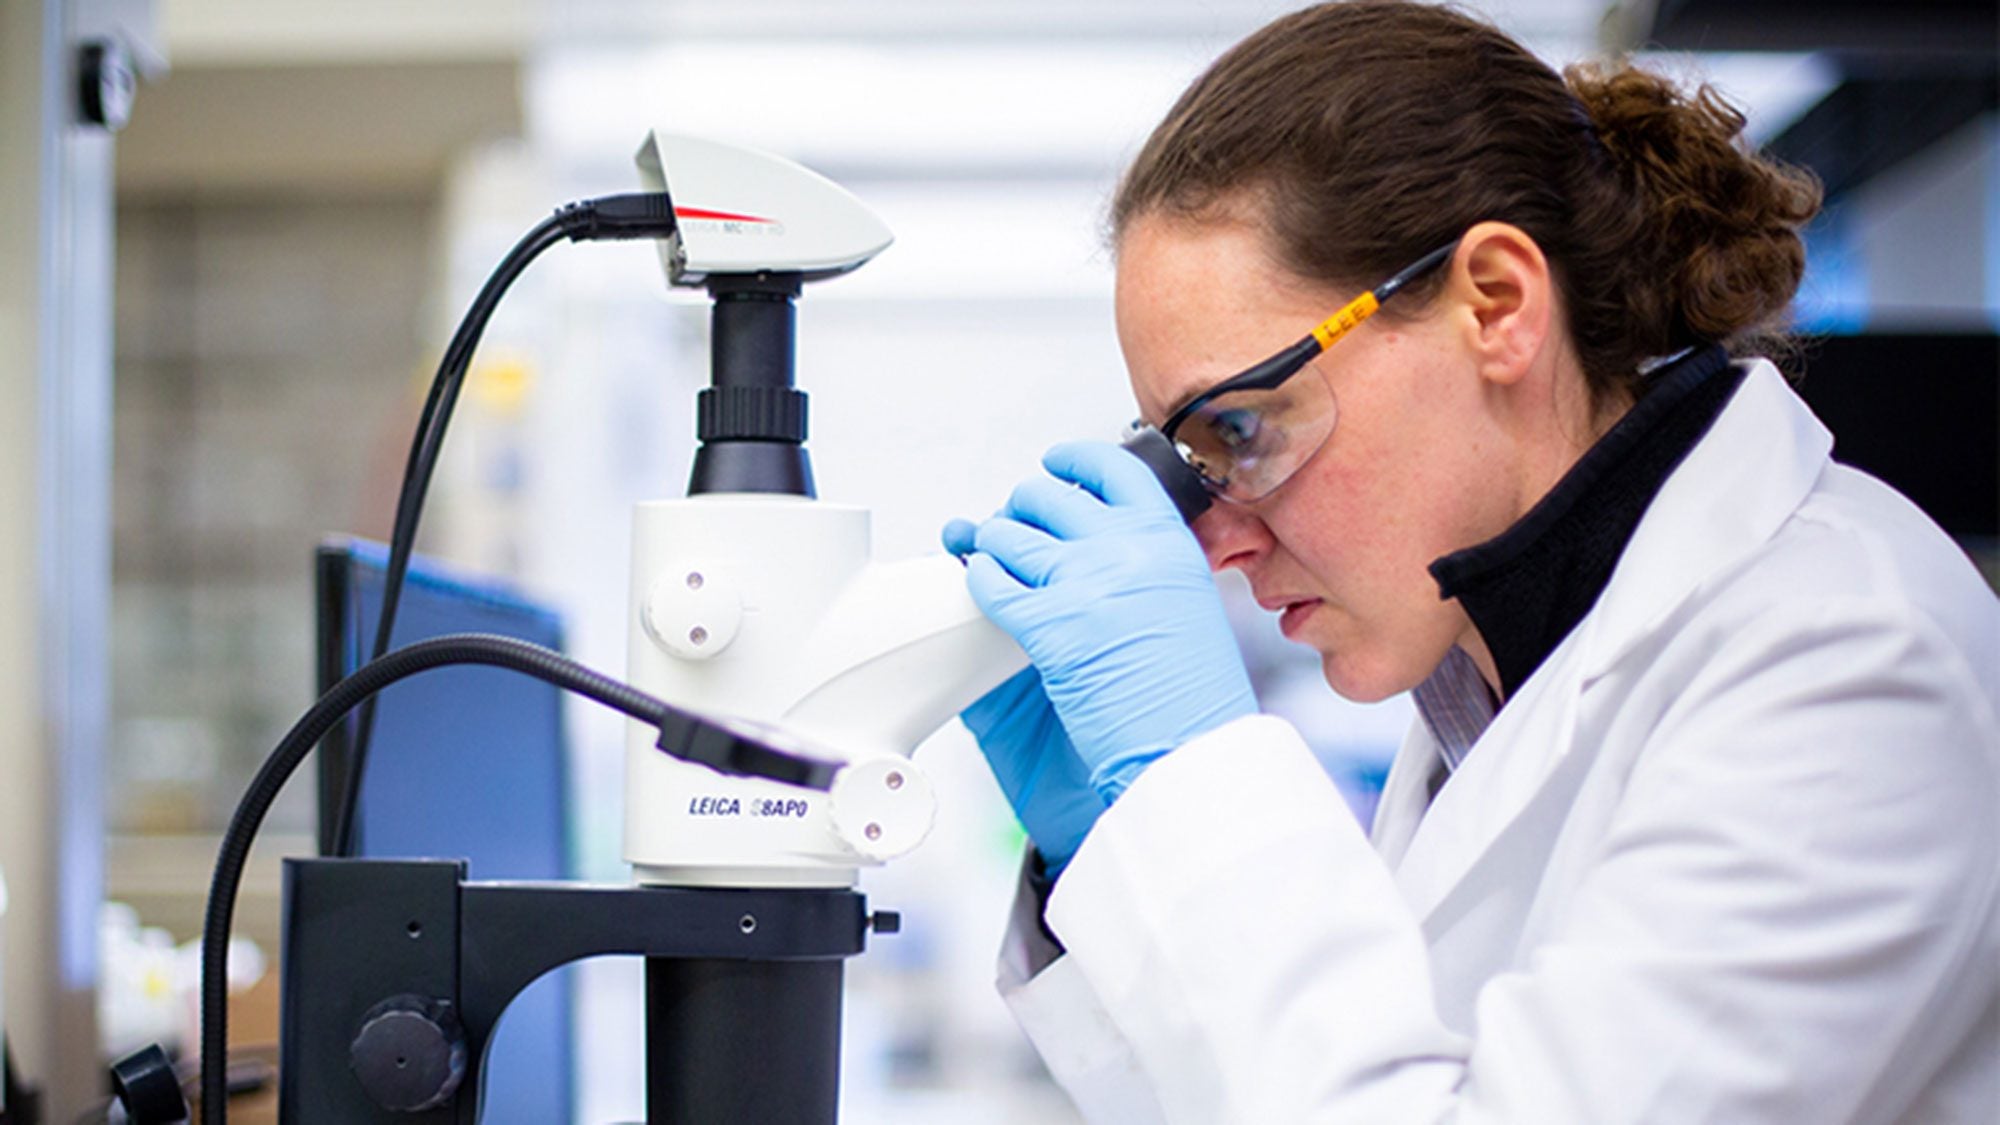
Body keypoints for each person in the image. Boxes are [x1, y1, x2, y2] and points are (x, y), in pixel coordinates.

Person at [941, 2, 2000, 1121]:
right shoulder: (1491, 677)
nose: (1214, 541)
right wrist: (1109, 853)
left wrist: (1193, 788)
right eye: (1186, 461)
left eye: (1241, 430)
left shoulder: (1848, 666)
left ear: (1495, 304)